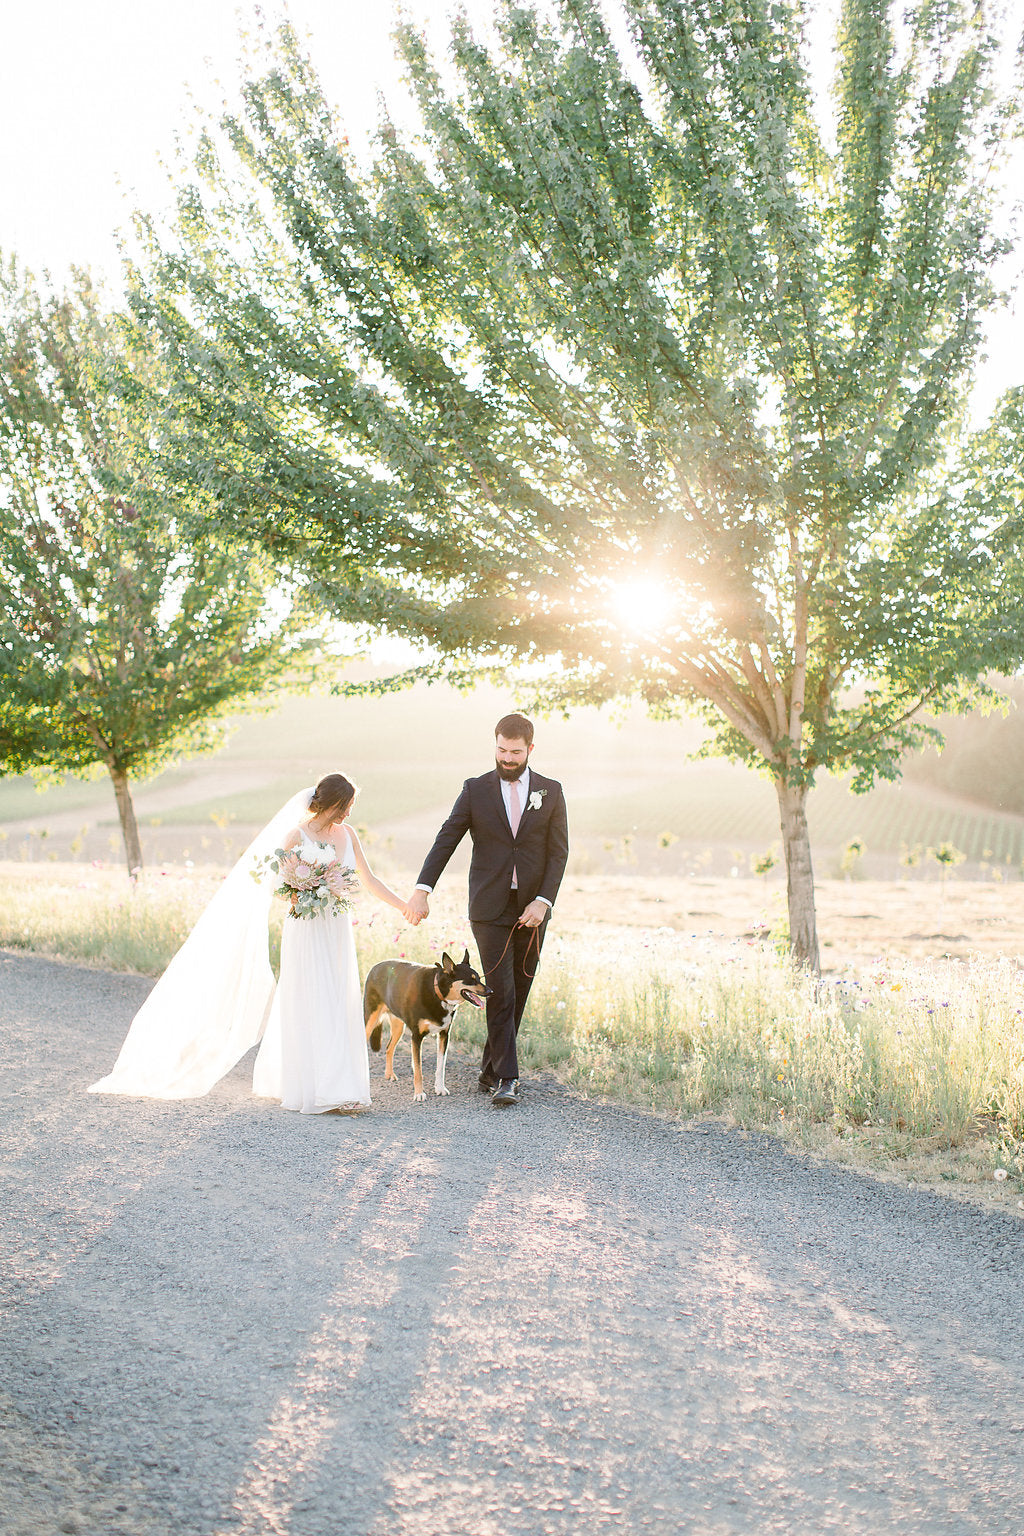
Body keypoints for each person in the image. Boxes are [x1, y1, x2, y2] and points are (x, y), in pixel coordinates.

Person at [89, 774, 409, 1111]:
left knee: (336, 998)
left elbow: (369, 879)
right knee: (309, 996)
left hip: (337, 928)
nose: (349, 814)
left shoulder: (349, 834)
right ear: (331, 803)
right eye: (346, 806)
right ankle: (310, 1086)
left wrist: (404, 905)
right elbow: (271, 879)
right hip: (306, 928)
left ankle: (340, 1084)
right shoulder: (295, 835)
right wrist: (298, 894)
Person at [406, 713, 569, 1106]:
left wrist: (543, 901)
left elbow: (558, 852)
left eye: (515, 752)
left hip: (532, 908)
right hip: (489, 907)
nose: (507, 758)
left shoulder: (551, 790)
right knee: (501, 991)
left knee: (522, 985)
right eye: (501, 750)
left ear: (531, 749)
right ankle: (508, 1080)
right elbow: (447, 837)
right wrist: (422, 889)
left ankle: (489, 1070)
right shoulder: (476, 789)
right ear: (494, 745)